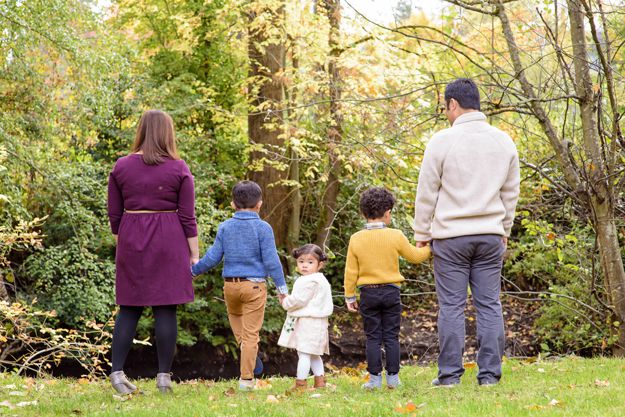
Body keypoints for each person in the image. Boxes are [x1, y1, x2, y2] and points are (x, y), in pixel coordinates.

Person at [413, 78, 520, 387]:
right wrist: (505, 229)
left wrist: (422, 231)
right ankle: (489, 377)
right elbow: (510, 192)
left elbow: (427, 191)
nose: (446, 112)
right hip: (489, 235)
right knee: (489, 305)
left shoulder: (441, 141)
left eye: (445, 107)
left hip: (451, 237)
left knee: (451, 307)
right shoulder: (503, 141)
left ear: (453, 104)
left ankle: (449, 376)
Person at [107, 109, 199, 394]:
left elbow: (114, 215)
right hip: (169, 238)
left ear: (142, 131)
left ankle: (117, 375)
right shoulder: (178, 167)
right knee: (165, 307)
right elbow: (188, 217)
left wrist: (126, 242)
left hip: (131, 236)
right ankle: (163, 378)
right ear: (167, 133)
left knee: (129, 307)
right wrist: (194, 255)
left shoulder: (121, 166)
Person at [191, 180, 288, 391]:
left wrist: (193, 271)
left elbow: (213, 257)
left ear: (233, 204)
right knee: (251, 335)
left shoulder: (225, 227)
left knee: (243, 334)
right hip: (253, 287)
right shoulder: (263, 228)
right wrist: (282, 290)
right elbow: (272, 261)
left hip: (231, 288)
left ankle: (249, 357)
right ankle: (246, 380)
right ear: (260, 204)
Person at [344, 187, 430, 390]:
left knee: (373, 337)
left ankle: (374, 380)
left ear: (363, 213)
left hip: (368, 293)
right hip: (391, 292)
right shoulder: (396, 235)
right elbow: (416, 257)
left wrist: (350, 297)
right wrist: (430, 246)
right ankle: (393, 379)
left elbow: (350, 271)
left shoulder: (356, 238)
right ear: (387, 212)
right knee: (391, 336)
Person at [278, 244, 333, 390]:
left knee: (303, 353)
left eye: (310, 262)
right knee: (313, 353)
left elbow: (299, 300)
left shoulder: (311, 281)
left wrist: (285, 301)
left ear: (319, 264)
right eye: (301, 261)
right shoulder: (319, 279)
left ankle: (300, 384)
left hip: (309, 321)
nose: (305, 265)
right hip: (318, 321)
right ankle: (320, 382)